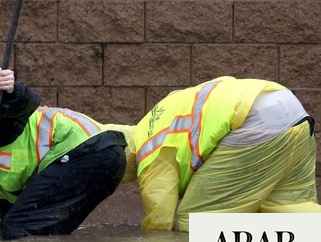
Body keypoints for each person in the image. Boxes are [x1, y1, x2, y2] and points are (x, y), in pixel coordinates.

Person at [0, 68, 128, 240]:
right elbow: (12, 218)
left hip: (89, 151)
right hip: (109, 159)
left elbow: (16, 105)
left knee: (15, 229)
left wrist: (10, 91)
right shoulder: (2, 189)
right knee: (38, 228)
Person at [118, 76, 321, 232]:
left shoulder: (147, 148)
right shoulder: (158, 116)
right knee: (289, 208)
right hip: (292, 110)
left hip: (254, 123)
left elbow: (160, 219)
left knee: (194, 222)